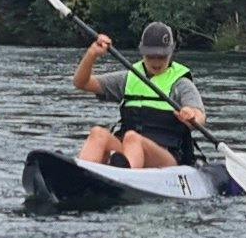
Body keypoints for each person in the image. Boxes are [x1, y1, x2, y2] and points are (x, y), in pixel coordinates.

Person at [70, 22, 206, 170]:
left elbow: (199, 116)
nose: (156, 61)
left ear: (171, 52)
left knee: (132, 138)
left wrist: (191, 115)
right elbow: (81, 83)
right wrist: (92, 54)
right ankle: (81, 173)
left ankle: (126, 176)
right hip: (128, 152)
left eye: (161, 56)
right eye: (150, 56)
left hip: (167, 158)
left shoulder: (181, 84)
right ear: (142, 52)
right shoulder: (129, 77)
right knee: (98, 134)